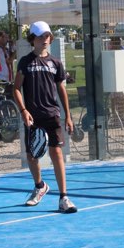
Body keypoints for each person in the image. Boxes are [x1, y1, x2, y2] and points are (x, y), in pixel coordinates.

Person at [13, 20, 77, 213]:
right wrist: (23, 110)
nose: (45, 39)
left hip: (52, 115)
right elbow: (16, 89)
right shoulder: (25, 62)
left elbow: (62, 90)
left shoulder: (56, 63)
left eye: (47, 36)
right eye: (41, 36)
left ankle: (64, 198)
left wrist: (68, 116)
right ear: (33, 39)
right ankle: (40, 186)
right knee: (32, 156)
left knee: (56, 153)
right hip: (33, 117)